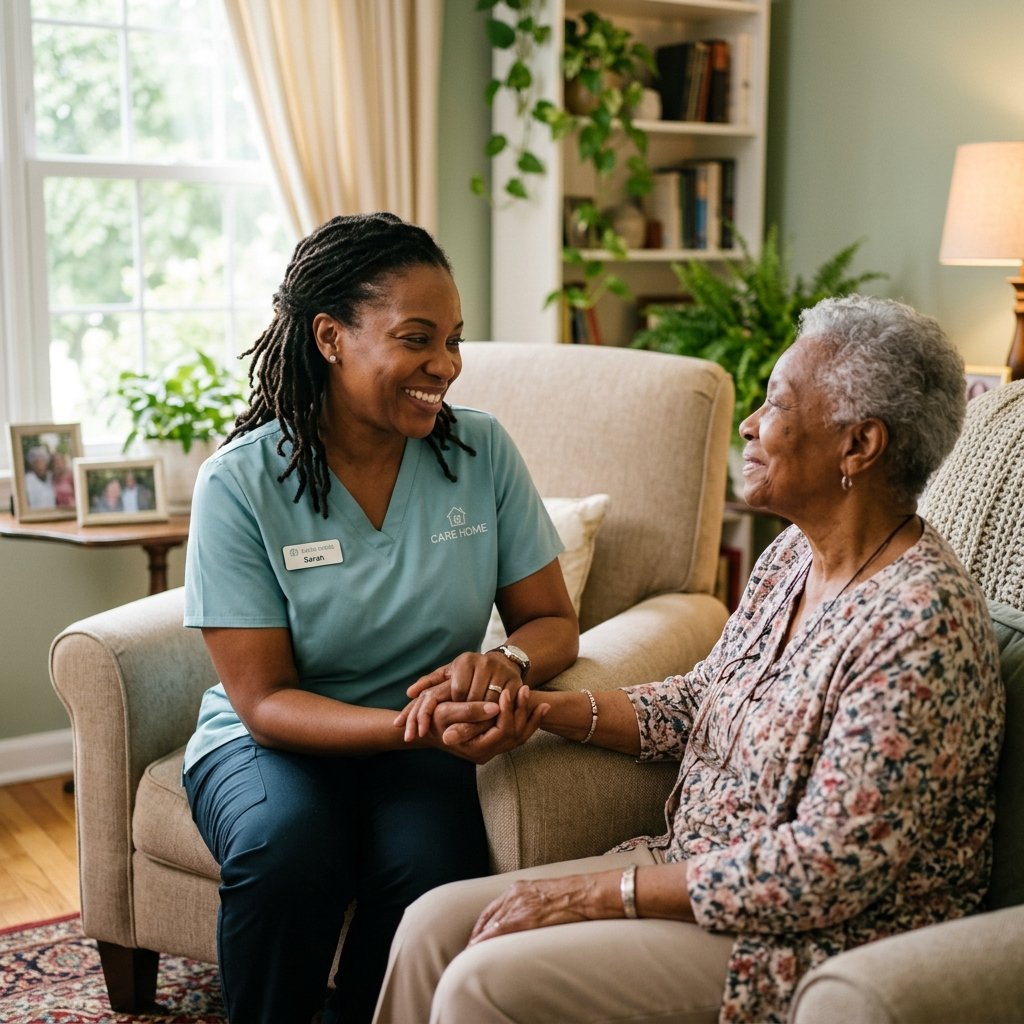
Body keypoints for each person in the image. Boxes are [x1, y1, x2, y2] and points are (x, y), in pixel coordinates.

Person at [374, 294, 1006, 1024]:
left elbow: (830, 865)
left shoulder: (918, 623)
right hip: (685, 870)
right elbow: (703, 701)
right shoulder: (794, 557)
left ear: (858, 447)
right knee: (429, 926)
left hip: (802, 937)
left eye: (776, 403)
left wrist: (591, 895)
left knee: (481, 980)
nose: (750, 425)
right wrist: (541, 712)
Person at [181, 211, 578, 1024]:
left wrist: (508, 666)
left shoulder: (481, 453)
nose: (446, 366)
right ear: (331, 337)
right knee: (290, 851)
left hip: (418, 747)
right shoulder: (240, 484)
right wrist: (418, 727)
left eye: (455, 341)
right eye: (417, 340)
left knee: (437, 870)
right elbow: (264, 702)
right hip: (269, 743)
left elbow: (550, 622)